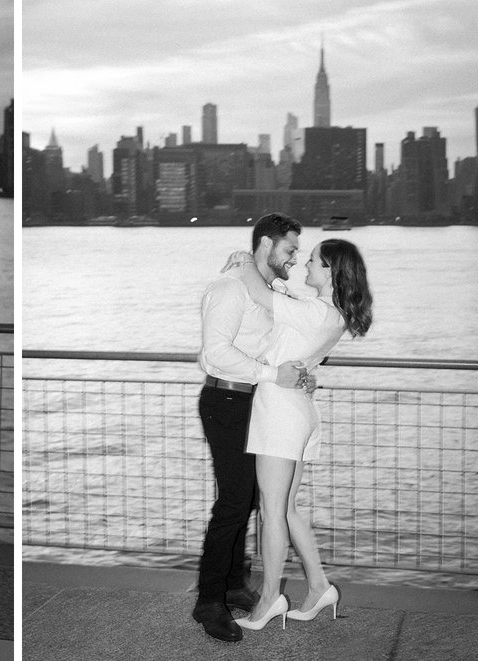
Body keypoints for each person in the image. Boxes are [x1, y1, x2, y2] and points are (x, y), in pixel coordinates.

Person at [230, 238, 373, 631]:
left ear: (329, 270)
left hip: (280, 411)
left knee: (272, 512)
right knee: (287, 510)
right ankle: (319, 586)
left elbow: (259, 292)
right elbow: (284, 301)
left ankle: (268, 599)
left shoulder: (315, 312)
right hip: (299, 411)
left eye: (312, 260)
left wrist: (246, 261)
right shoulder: (331, 312)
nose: (305, 264)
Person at [192, 212, 309, 643]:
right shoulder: (229, 289)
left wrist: (289, 373)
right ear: (266, 244)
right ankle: (208, 601)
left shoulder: (266, 290)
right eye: (290, 249)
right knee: (234, 500)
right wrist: (272, 374)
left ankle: (232, 583)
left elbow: (288, 333)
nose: (295, 258)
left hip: (254, 400)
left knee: (251, 498)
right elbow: (216, 352)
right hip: (225, 399)